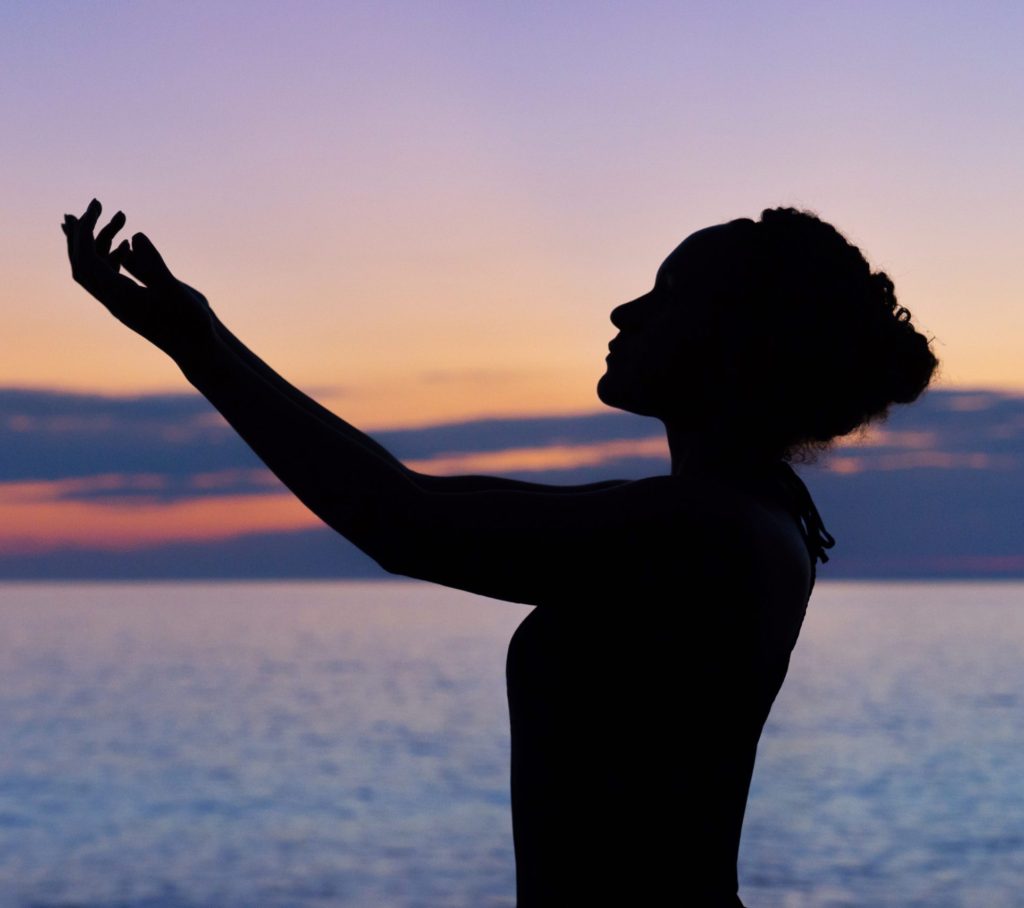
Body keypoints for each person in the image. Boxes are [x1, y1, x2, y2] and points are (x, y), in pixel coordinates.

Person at [63, 199, 938, 906]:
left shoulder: (704, 531)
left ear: (730, 342)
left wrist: (197, 349)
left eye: (663, 296)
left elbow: (400, 523)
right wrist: (204, 339)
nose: (624, 310)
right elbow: (416, 495)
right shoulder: (729, 513)